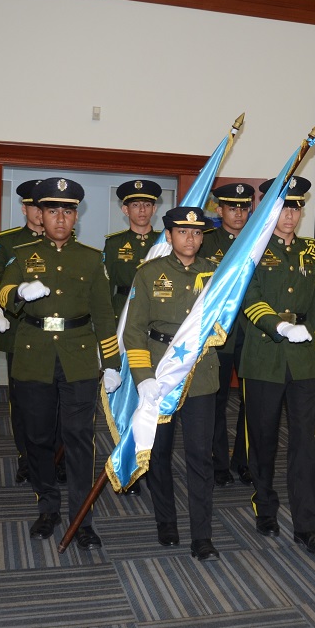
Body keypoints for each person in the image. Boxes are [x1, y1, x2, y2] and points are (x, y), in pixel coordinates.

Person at [0, 178, 121, 546]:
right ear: (41, 214)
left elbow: (103, 312)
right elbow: (2, 293)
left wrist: (112, 361)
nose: (61, 218)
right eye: (53, 211)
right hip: (34, 354)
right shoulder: (21, 252)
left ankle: (82, 519)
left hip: (79, 358)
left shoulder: (90, 257)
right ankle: (47, 507)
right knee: (37, 438)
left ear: (76, 215)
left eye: (68, 211)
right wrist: (19, 291)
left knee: (80, 439)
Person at [239, 176, 315, 555]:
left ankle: (307, 523)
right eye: (282, 208)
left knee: (304, 445)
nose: (289, 216)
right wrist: (278, 325)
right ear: (269, 209)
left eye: (295, 208)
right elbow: (248, 298)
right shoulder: (254, 248)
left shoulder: (313, 251)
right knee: (263, 439)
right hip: (264, 355)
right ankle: (264, 505)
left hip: (304, 359)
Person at [125, 206, 220, 561]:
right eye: (182, 232)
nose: (190, 239)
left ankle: (202, 535)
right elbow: (133, 330)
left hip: (199, 373)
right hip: (159, 372)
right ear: (168, 235)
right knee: (159, 454)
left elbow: (223, 322)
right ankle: (166, 522)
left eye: (197, 233)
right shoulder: (149, 273)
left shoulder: (215, 273)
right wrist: (143, 377)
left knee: (200, 456)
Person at [0, 180, 44, 484]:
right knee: (21, 400)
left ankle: (54, 458)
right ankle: (26, 457)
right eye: (33, 206)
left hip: (52, 333)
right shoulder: (9, 240)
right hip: (18, 329)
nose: (39, 212)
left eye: (43, 206)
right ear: (24, 208)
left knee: (54, 399)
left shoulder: (64, 239)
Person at [200, 182, 254, 487]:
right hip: (218, 334)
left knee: (252, 401)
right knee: (215, 401)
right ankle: (218, 462)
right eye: (232, 207)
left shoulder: (259, 239)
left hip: (252, 331)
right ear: (219, 210)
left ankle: (243, 461)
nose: (238, 213)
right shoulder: (207, 241)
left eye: (244, 207)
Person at [103, 179, 161, 318]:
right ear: (125, 210)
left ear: (154, 209)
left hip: (156, 310)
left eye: (147, 205)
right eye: (135, 205)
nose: (142, 210)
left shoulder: (164, 242)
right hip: (123, 310)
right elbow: (106, 286)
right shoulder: (114, 243)